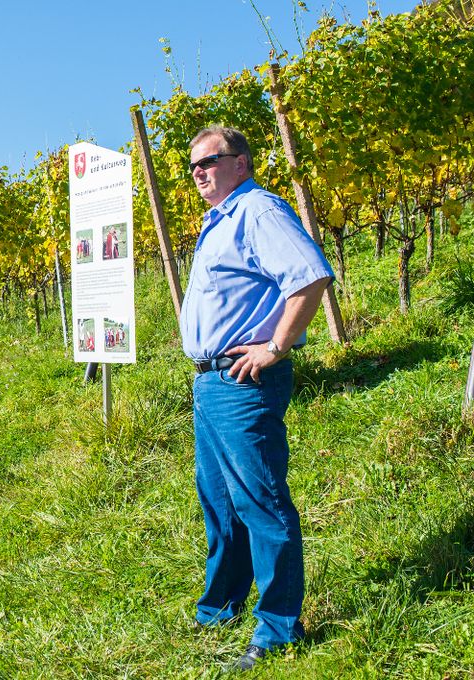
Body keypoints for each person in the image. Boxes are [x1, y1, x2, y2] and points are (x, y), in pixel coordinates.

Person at [181, 126, 333, 672]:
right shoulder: (218, 220)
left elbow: (310, 277)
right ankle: (218, 610)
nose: (198, 171)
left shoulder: (258, 211)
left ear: (241, 162)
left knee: (261, 502)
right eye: (192, 165)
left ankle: (277, 630)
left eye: (210, 161)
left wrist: (275, 346)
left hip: (243, 382)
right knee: (221, 505)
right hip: (210, 382)